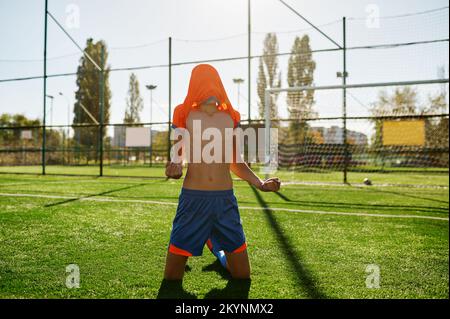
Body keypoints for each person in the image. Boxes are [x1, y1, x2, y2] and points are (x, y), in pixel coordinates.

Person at [164, 64, 280, 281]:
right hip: (193, 200)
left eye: (212, 78)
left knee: (242, 275)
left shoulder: (231, 117)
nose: (208, 85)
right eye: (202, 78)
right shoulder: (183, 113)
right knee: (172, 278)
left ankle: (217, 249)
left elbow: (235, 162)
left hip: (224, 201)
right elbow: (176, 159)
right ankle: (209, 238)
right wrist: (174, 168)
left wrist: (261, 183)